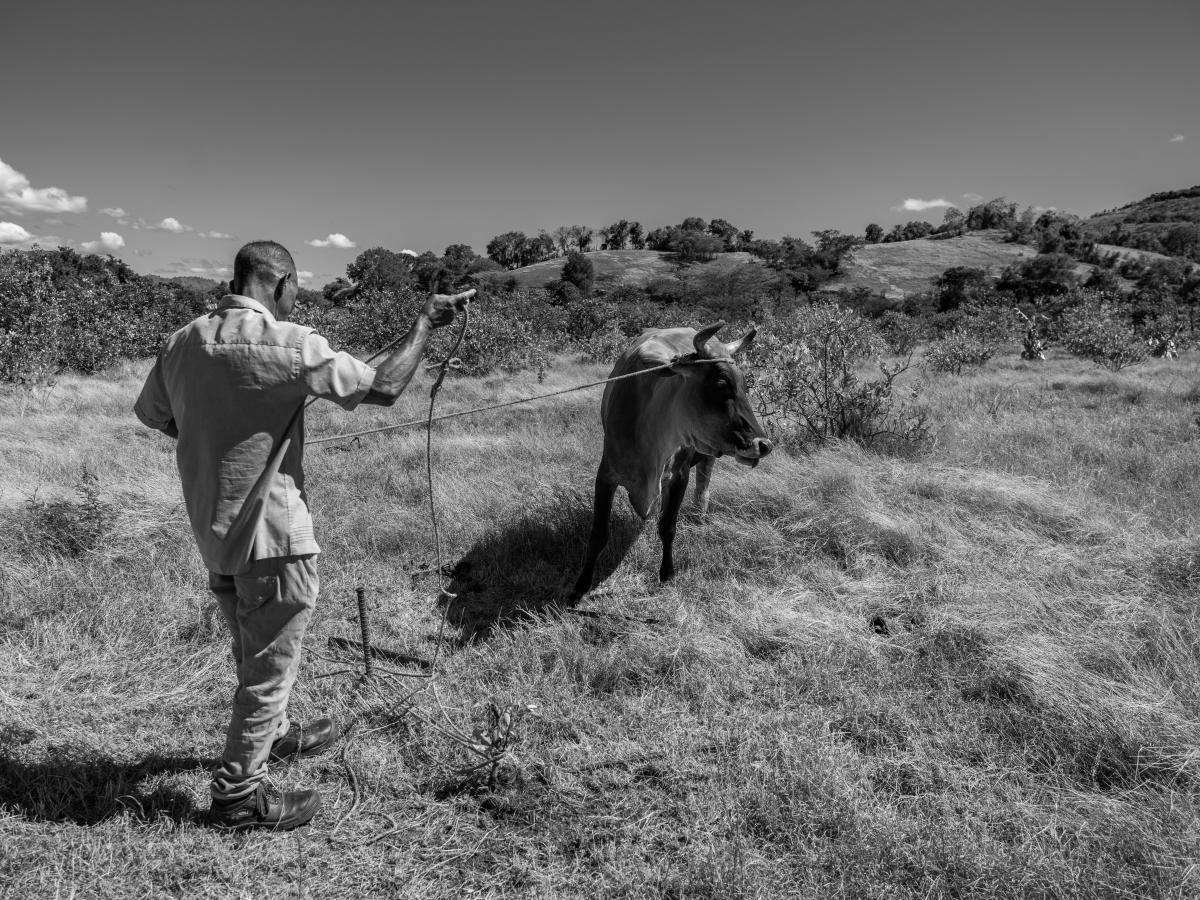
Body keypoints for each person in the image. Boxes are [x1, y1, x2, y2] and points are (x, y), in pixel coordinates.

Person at [134, 240, 472, 830]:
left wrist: (220, 443)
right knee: (268, 667)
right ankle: (239, 796)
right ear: (281, 282)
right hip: (273, 538)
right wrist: (424, 324)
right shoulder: (291, 344)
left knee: (251, 646)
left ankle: (279, 737)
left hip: (213, 532)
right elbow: (386, 386)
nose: (299, 299)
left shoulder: (182, 342)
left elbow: (154, 414)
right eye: (298, 289)